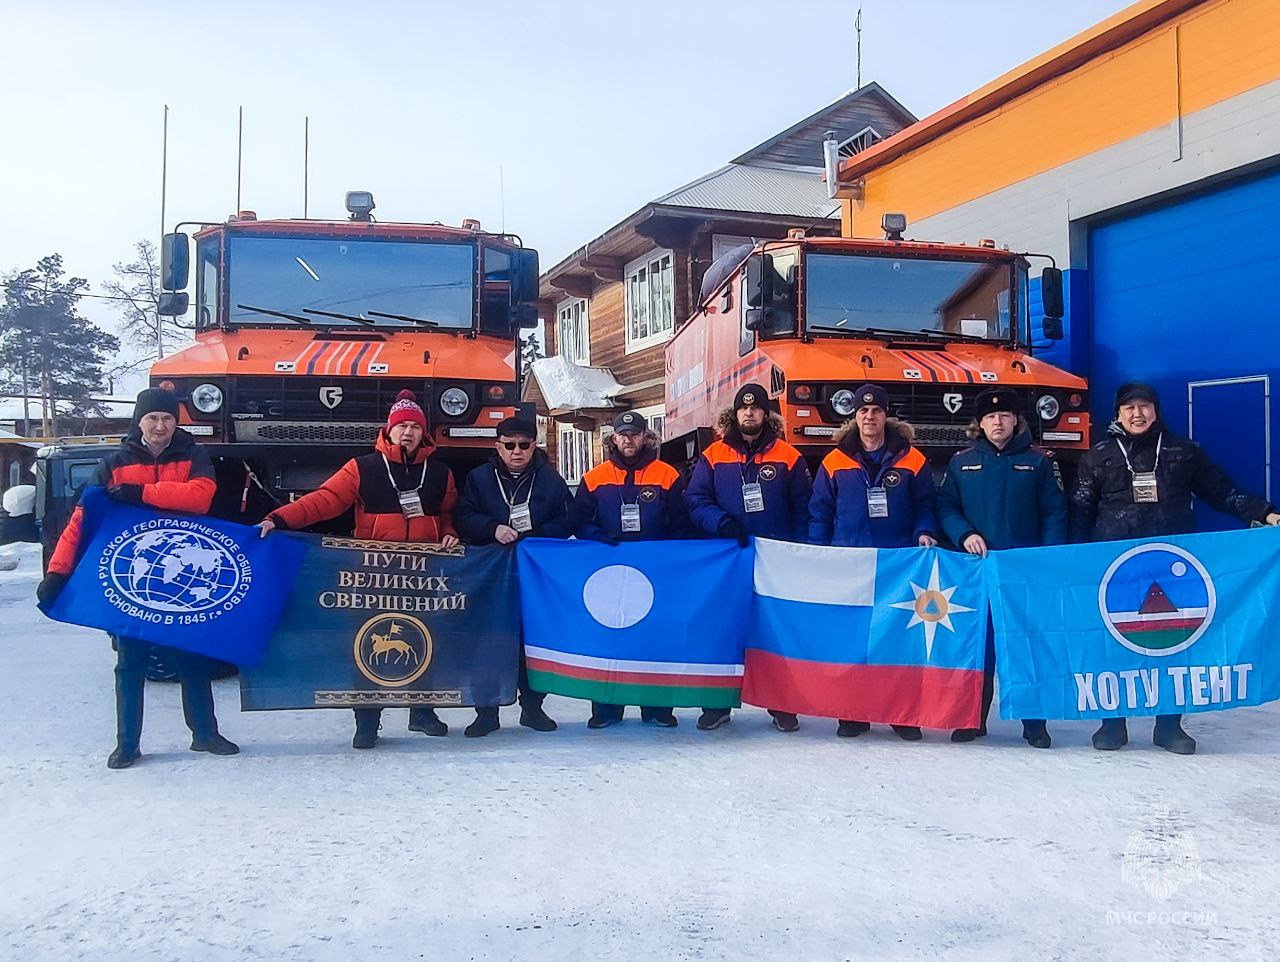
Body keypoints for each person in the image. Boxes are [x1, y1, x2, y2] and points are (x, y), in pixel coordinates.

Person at [1071, 382, 1280, 754]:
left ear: (1156, 410)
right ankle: (1112, 724)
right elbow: (1080, 511)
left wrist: (1264, 512)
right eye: (1130, 407)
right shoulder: (1097, 456)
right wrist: (1069, 560)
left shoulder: (1182, 451)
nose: (1138, 414)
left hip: (1174, 565)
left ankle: (1168, 726)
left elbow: (1222, 490)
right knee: (1115, 642)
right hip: (1115, 568)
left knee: (1173, 644)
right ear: (1117, 414)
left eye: (1145, 406)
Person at [38, 388, 239, 769]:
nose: (160, 426)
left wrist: (140, 493)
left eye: (167, 418)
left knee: (192, 660)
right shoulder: (113, 463)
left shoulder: (194, 455)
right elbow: (81, 522)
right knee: (130, 663)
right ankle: (127, 742)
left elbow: (200, 497)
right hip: (134, 578)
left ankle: (205, 734)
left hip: (182, 577)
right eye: (152, 419)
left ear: (175, 422)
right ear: (140, 421)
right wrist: (58, 571)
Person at [258, 390, 459, 749]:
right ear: (389, 430)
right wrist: (279, 517)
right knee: (368, 643)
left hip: (423, 571)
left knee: (425, 639)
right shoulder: (363, 467)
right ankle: (367, 721)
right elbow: (325, 500)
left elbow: (446, 517)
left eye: (415, 426)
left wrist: (448, 535)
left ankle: (422, 712)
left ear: (424, 432)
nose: (408, 433)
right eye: (402, 426)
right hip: (373, 573)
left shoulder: (440, 473)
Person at [937, 388, 1067, 749]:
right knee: (979, 648)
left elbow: (1055, 512)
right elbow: (946, 507)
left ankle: (1034, 723)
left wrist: (1046, 558)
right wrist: (964, 535)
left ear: (1016, 421)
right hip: (976, 572)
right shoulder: (961, 463)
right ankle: (972, 719)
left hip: (1023, 573)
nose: (998, 421)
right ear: (979, 423)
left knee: (1025, 646)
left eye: (1005, 416)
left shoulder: (1039, 462)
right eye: (991, 417)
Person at [809, 383, 938, 740]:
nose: (869, 417)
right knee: (854, 640)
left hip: (897, 563)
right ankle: (853, 713)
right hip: (850, 562)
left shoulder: (912, 459)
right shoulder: (835, 461)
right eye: (863, 411)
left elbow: (926, 504)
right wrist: (819, 553)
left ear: (886, 416)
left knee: (898, 639)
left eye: (876, 411)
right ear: (854, 417)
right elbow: (820, 511)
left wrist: (925, 530)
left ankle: (901, 714)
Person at [684, 382, 812, 732]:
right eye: (744, 408)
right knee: (723, 629)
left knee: (774, 632)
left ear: (766, 414)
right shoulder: (714, 455)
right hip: (729, 556)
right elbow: (695, 499)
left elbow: (804, 509)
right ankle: (717, 702)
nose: (750, 413)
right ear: (735, 414)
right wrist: (720, 522)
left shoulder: (789, 456)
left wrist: (799, 551)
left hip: (775, 559)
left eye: (756, 408)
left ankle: (781, 703)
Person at [454, 416, 573, 737]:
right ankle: (486, 713)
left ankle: (532, 708)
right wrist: (492, 528)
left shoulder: (551, 480)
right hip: (491, 576)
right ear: (498, 446)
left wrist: (536, 535)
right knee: (488, 642)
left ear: (534, 446)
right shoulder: (479, 478)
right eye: (509, 445)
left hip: (533, 577)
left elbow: (568, 520)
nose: (517, 451)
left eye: (524, 445)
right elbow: (462, 515)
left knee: (530, 642)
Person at [573, 410, 690, 728]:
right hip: (611, 571)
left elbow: (682, 523)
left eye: (635, 434)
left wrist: (665, 553)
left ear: (645, 438)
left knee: (655, 637)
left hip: (654, 573)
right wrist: (600, 537)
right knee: (610, 637)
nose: (629, 439)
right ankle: (607, 709)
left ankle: (657, 708)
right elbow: (580, 521)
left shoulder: (667, 475)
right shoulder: (595, 477)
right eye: (623, 434)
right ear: (614, 438)